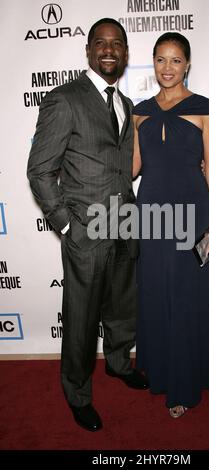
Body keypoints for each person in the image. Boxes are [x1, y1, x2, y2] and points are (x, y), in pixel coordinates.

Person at [27, 18, 148, 433]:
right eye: (101, 43)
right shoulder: (65, 99)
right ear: (89, 51)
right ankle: (77, 393)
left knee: (121, 306)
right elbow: (40, 171)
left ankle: (118, 362)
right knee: (80, 318)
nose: (109, 50)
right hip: (86, 230)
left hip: (125, 222)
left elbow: (124, 166)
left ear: (126, 52)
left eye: (117, 43)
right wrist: (68, 226)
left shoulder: (126, 104)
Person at [132, 32, 209, 418]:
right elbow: (134, 167)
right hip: (150, 215)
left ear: (187, 63)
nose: (167, 68)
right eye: (160, 60)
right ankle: (158, 371)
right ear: (152, 64)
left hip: (192, 212)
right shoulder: (139, 111)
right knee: (154, 293)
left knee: (187, 297)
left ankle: (185, 385)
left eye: (175, 60)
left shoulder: (205, 108)